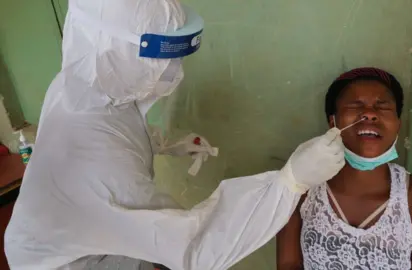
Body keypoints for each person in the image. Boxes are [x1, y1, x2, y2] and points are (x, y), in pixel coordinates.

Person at [4, 1, 346, 270]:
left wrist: (163, 142)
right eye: (157, 59)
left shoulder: (78, 85)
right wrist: (290, 182)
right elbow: (195, 250)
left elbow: (112, 125)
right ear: (112, 49)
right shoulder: (99, 167)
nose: (173, 71)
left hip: (71, 237)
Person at [276, 67, 412, 270]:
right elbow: (288, 264)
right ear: (332, 121)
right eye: (355, 106)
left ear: (398, 123)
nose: (369, 114)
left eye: (383, 107)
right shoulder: (299, 190)